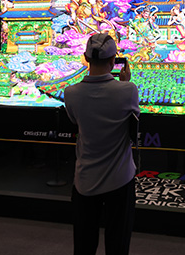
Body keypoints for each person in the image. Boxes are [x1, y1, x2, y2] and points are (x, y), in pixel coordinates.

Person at [64, 33, 140, 255]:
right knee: (118, 245)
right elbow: (133, 122)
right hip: (120, 178)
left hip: (85, 179)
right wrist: (124, 83)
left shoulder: (71, 93)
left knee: (84, 245)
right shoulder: (128, 90)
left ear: (86, 58)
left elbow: (75, 121)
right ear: (113, 60)